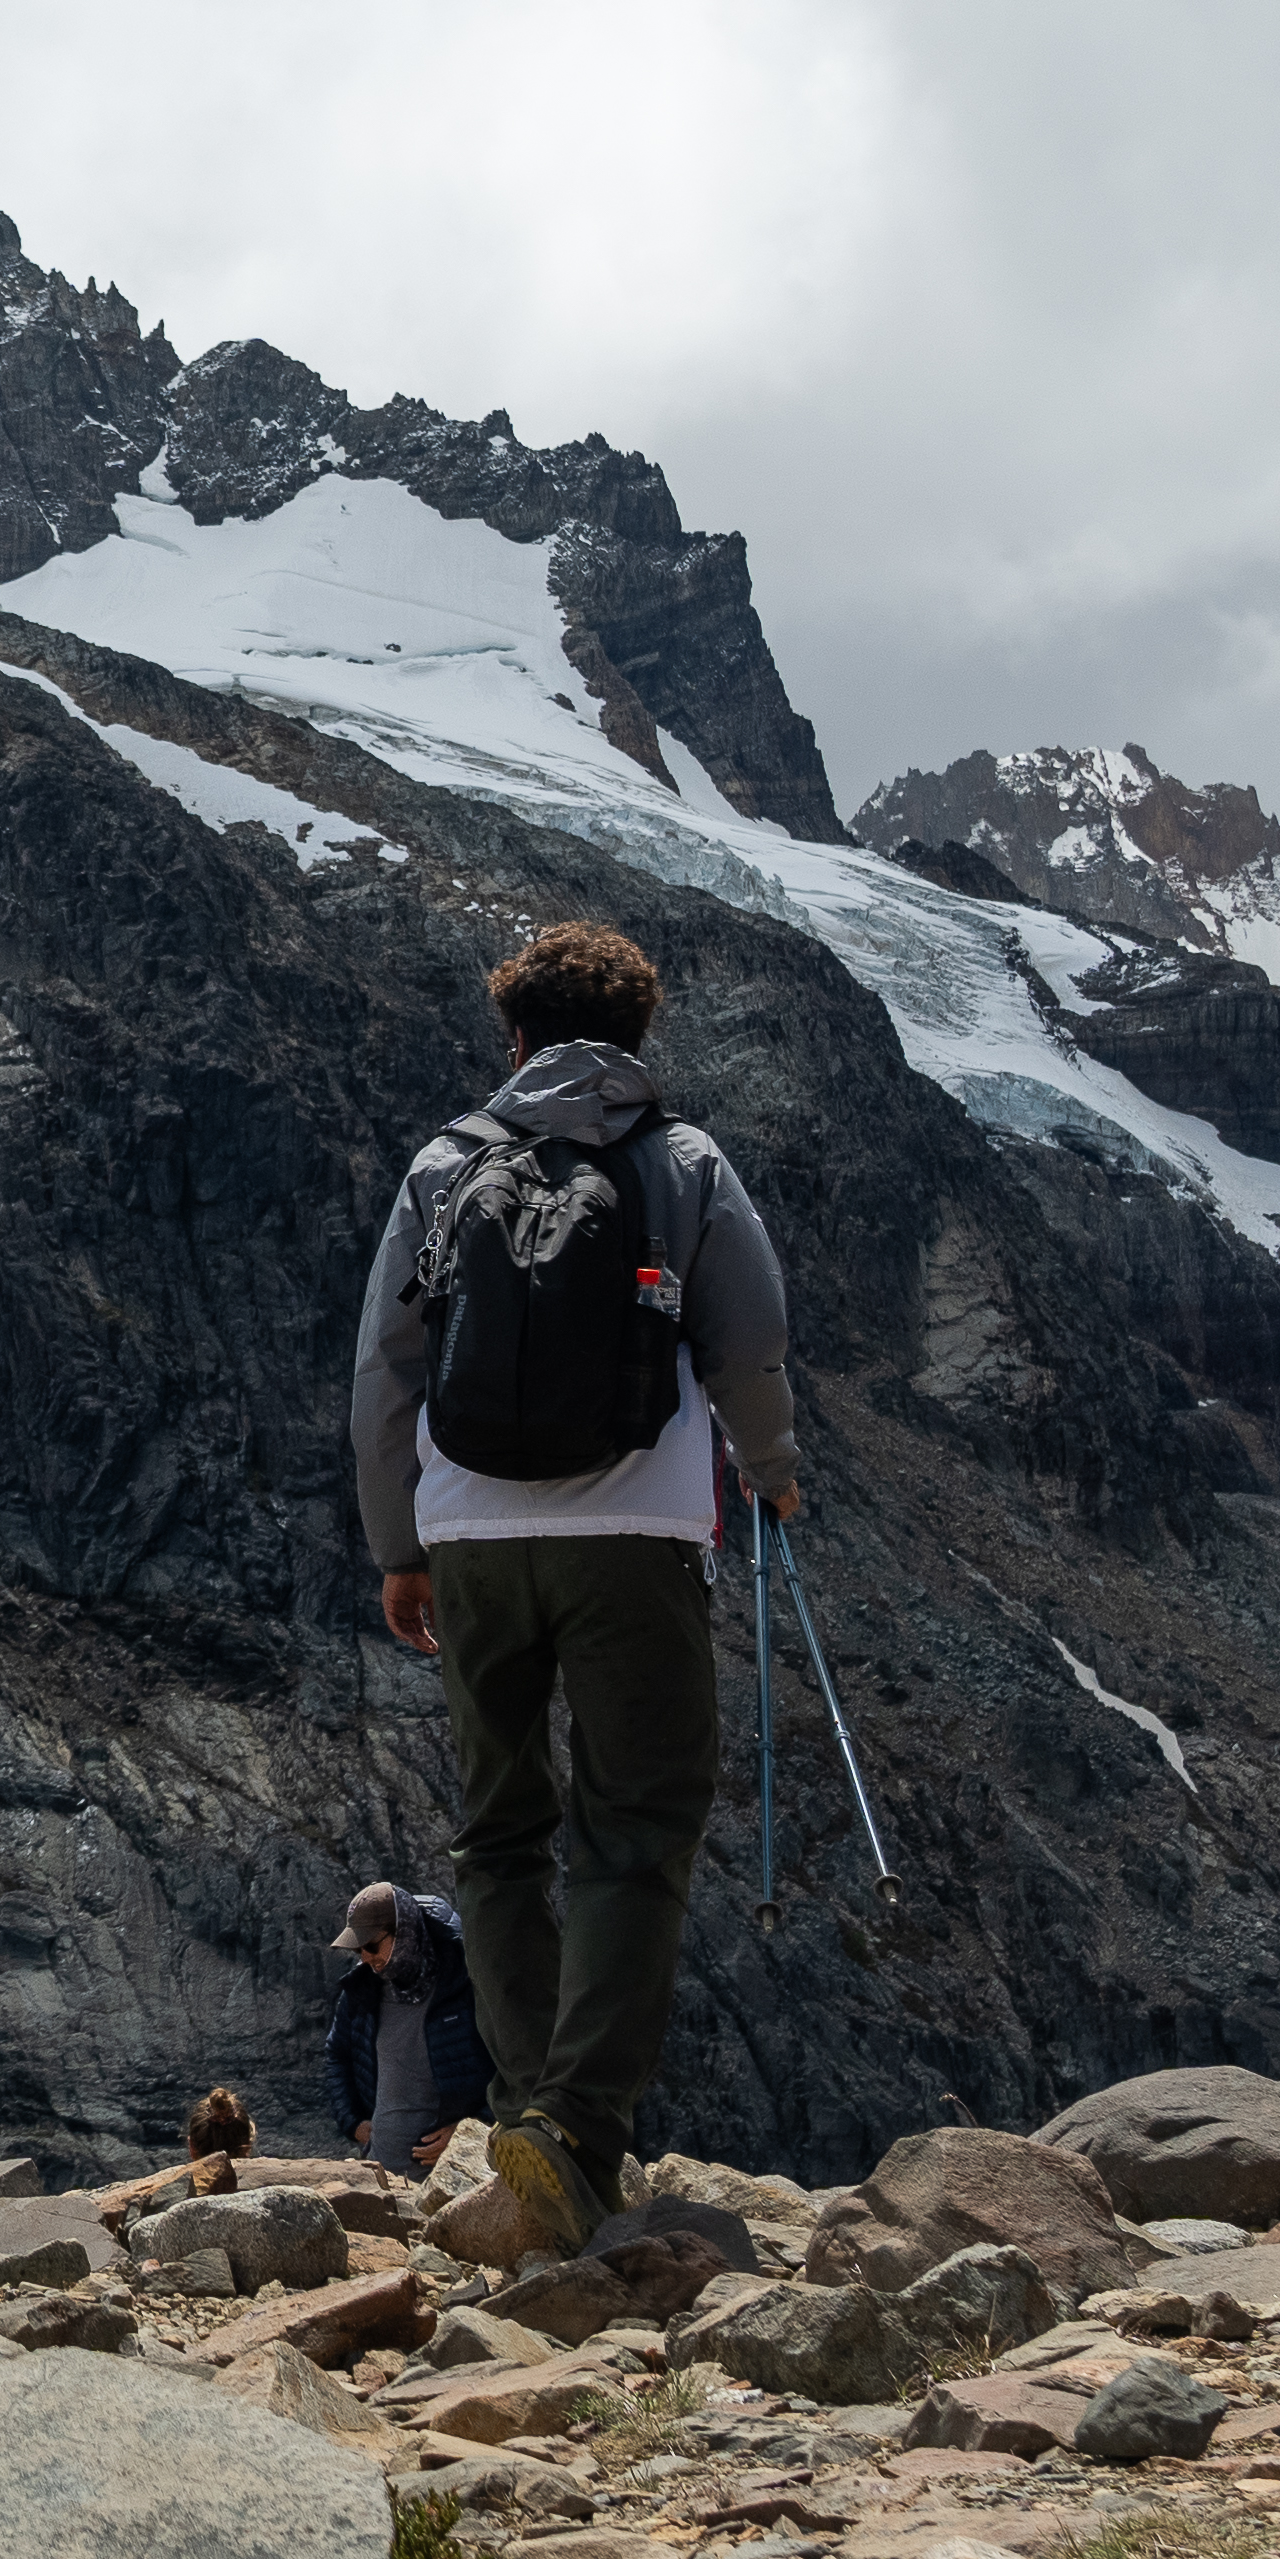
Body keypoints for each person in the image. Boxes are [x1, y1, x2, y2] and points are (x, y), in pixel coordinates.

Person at [348, 918, 806, 2257]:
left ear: (517, 1039)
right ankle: (578, 2127)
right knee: (637, 1823)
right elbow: (751, 1344)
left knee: (498, 1835)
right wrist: (771, 1473)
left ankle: (523, 2108)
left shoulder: (447, 1162)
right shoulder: (684, 1163)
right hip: (639, 1535)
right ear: (639, 1037)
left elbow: (386, 1369)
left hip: (472, 1535)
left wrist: (401, 1542)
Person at [325, 1881, 489, 2179]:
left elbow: (513, 2067)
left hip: (454, 2180)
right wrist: (353, 2123)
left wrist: (470, 2132)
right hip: (380, 2176)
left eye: (372, 1945)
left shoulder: (468, 1984)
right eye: (358, 1949)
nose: (364, 1957)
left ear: (404, 1932)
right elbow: (337, 2055)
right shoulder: (361, 1992)